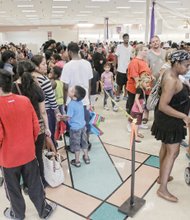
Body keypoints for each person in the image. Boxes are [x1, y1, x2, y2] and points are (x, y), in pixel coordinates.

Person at [0, 69, 56, 220]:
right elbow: (36, 126)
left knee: (12, 189)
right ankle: (43, 211)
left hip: (8, 157)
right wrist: (28, 142)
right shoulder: (24, 100)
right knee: (35, 184)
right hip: (28, 152)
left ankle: (18, 215)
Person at [151, 50, 190, 202]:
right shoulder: (171, 80)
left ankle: (162, 177)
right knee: (173, 152)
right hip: (171, 118)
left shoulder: (170, 72)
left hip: (167, 119)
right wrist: (184, 116)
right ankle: (162, 189)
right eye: (186, 65)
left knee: (165, 148)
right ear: (177, 64)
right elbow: (163, 106)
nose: (188, 68)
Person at [12, 60, 53, 188]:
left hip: (19, 128)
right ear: (32, 71)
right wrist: (47, 129)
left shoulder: (12, 88)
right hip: (37, 127)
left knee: (24, 157)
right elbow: (43, 111)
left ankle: (26, 184)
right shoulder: (36, 87)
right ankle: (41, 181)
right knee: (38, 156)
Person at [61, 42, 93, 150]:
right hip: (85, 100)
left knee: (74, 125)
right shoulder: (87, 64)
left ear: (69, 51)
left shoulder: (67, 66)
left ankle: (75, 146)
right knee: (85, 123)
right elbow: (89, 84)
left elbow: (65, 87)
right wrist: (88, 100)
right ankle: (86, 143)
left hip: (72, 100)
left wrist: (65, 102)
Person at [31, 55, 61, 147]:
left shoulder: (29, 77)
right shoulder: (44, 80)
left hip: (34, 112)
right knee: (49, 136)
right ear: (36, 66)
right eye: (43, 64)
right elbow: (52, 100)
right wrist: (57, 112)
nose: (46, 66)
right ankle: (52, 155)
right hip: (46, 111)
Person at [126, 44, 152, 131]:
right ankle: (129, 124)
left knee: (141, 107)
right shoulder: (134, 62)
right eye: (145, 50)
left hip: (143, 89)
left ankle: (138, 123)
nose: (146, 52)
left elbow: (146, 73)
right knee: (133, 108)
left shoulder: (143, 61)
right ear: (140, 51)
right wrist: (142, 87)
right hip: (135, 89)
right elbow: (135, 77)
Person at [66, 86, 90, 167]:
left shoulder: (71, 104)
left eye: (72, 90)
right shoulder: (80, 102)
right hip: (83, 126)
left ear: (74, 97)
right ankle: (86, 158)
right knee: (84, 142)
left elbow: (68, 117)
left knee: (76, 144)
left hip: (75, 129)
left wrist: (61, 117)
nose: (69, 90)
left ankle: (77, 161)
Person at [130, 75, 151, 142]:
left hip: (139, 110)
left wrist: (147, 88)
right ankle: (135, 136)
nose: (148, 84)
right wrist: (140, 107)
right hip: (137, 110)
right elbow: (136, 99)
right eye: (146, 83)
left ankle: (137, 133)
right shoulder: (139, 89)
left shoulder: (142, 88)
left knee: (138, 123)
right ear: (142, 82)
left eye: (148, 83)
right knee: (136, 123)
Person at [115, 33, 133, 101]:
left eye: (127, 38)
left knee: (127, 84)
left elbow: (131, 58)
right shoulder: (119, 46)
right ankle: (117, 95)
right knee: (119, 85)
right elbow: (115, 56)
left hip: (128, 70)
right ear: (123, 39)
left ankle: (125, 95)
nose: (126, 39)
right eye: (125, 38)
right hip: (120, 69)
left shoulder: (131, 48)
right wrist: (115, 66)